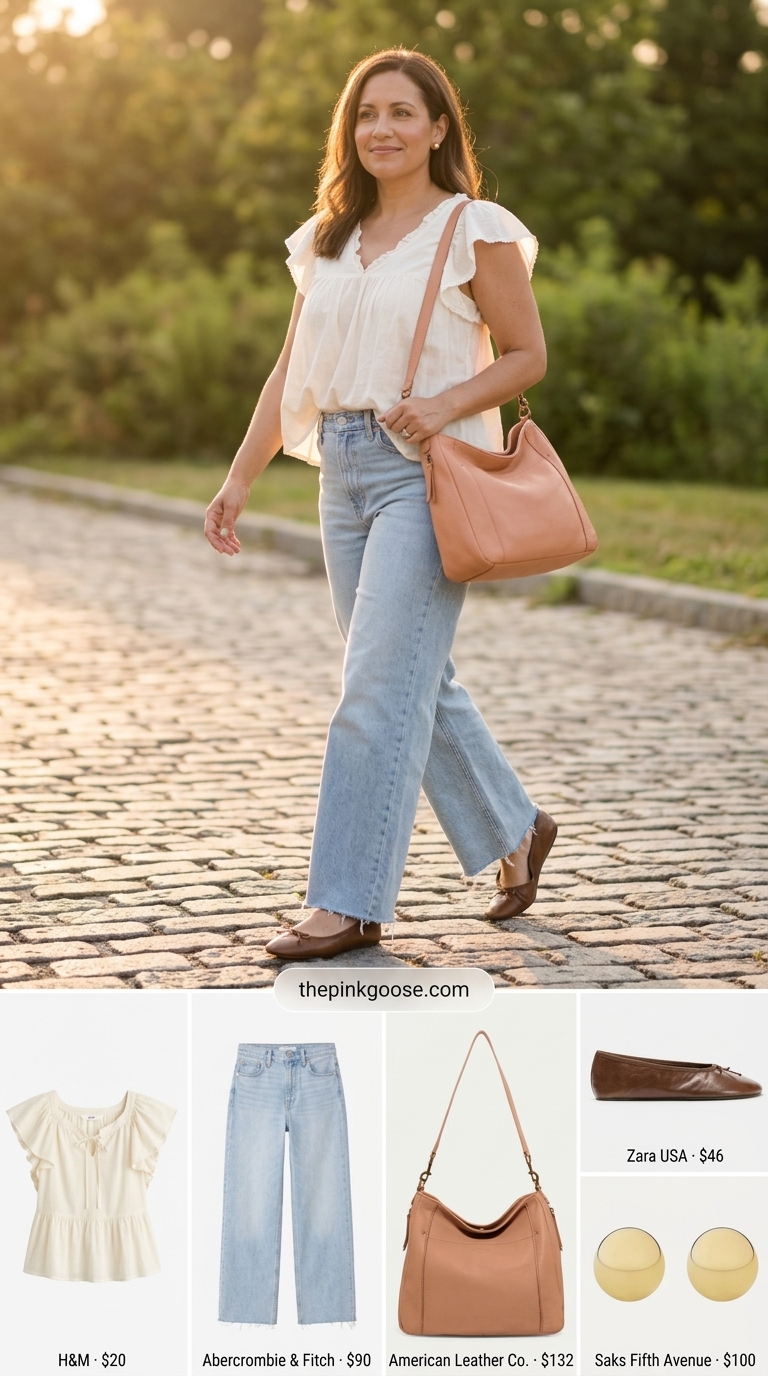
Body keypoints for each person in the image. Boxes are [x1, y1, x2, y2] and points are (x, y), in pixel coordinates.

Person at [204, 49, 557, 962]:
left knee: (372, 688)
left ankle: (348, 901)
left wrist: (443, 406)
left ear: (440, 127)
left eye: (403, 112)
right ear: (349, 131)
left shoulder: (471, 227)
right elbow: (292, 371)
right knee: (408, 679)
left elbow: (525, 354)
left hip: (425, 472)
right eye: (367, 115)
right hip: (343, 472)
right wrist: (243, 474)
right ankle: (515, 830)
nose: (382, 130)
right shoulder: (327, 236)